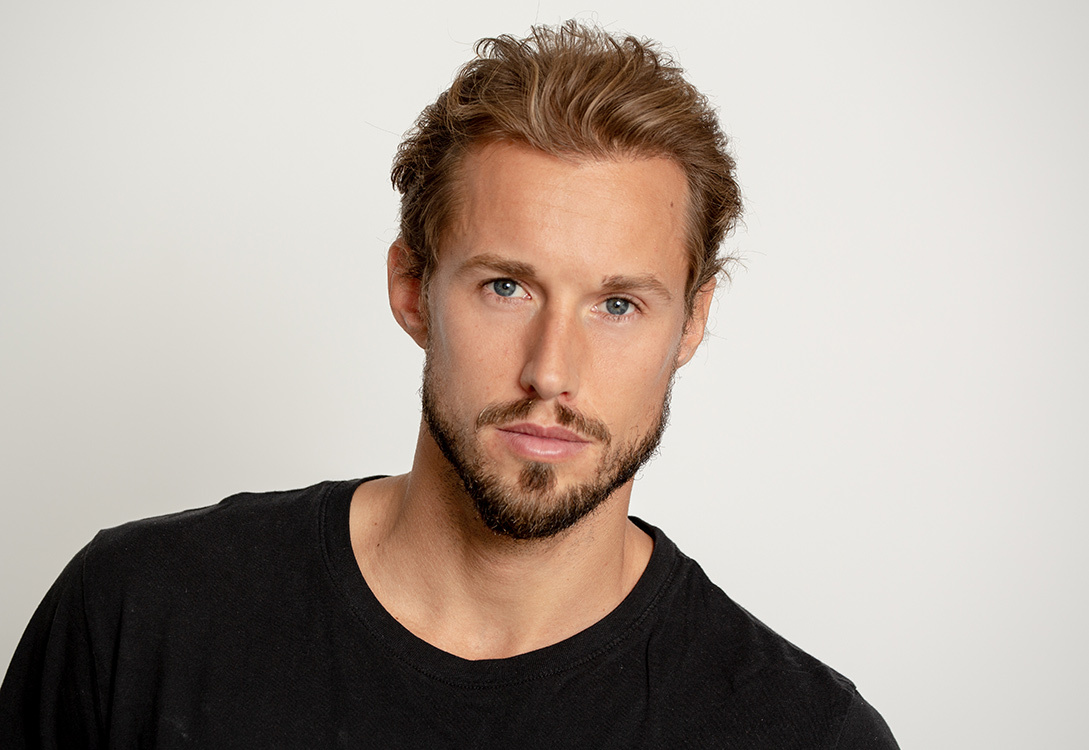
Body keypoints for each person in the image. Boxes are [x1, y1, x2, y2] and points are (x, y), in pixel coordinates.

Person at [0, 22, 898, 748]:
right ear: (411, 288)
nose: (551, 371)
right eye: (506, 288)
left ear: (691, 323)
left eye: (618, 304)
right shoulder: (139, 614)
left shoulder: (803, 733)